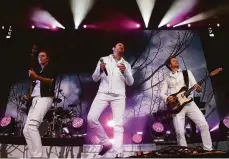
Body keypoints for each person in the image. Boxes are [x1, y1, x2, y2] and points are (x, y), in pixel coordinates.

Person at [87, 43, 134, 156]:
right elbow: (94, 78)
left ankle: (117, 152)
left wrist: (125, 72)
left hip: (119, 96)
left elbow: (130, 82)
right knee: (91, 118)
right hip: (103, 93)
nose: (121, 47)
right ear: (113, 48)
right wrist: (100, 69)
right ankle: (106, 143)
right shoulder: (103, 59)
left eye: (123, 46)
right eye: (119, 45)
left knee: (118, 124)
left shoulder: (126, 64)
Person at [160, 56, 212, 151]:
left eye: (176, 60)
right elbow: (162, 93)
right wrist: (168, 97)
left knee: (204, 125)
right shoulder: (167, 78)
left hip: (189, 103)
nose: (176, 61)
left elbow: (197, 88)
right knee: (180, 132)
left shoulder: (187, 73)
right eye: (174, 60)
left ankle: (208, 150)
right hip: (176, 106)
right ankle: (184, 152)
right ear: (169, 65)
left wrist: (199, 88)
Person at [23, 49, 56, 157]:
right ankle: (33, 155)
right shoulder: (40, 72)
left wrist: (35, 76)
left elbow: (50, 81)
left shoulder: (51, 68)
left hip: (45, 99)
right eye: (39, 56)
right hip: (36, 99)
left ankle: (38, 156)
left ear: (47, 58)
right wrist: (29, 95)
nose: (40, 58)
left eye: (43, 56)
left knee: (32, 126)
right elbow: (37, 88)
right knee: (26, 130)